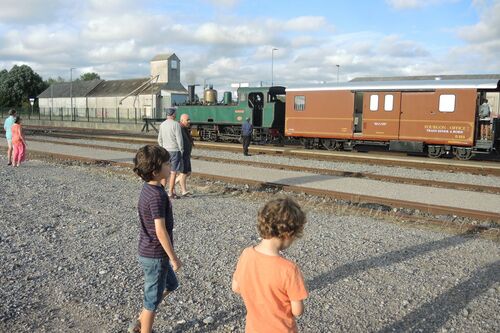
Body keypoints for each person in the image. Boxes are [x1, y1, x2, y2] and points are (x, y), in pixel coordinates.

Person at [232, 197, 308, 333]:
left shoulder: (246, 254)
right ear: (288, 234)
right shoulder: (289, 269)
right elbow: (297, 311)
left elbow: (236, 287)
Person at [131, 145, 182, 333]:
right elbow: (161, 231)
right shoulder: (156, 197)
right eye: (167, 164)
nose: (170, 166)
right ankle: (145, 328)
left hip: (150, 252)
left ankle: (140, 320)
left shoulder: (150, 189)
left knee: (171, 284)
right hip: (156, 256)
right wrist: (174, 258)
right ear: (155, 171)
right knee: (151, 300)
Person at [158, 107, 184, 199]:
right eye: (175, 113)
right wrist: (181, 150)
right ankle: (170, 193)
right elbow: (179, 139)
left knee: (164, 172)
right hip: (175, 150)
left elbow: (159, 139)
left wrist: (162, 148)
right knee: (173, 173)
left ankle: (161, 192)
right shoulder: (176, 124)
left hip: (165, 151)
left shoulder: (162, 124)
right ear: (173, 114)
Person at [176, 113, 194, 196]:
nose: (189, 121)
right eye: (187, 120)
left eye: (189, 119)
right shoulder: (179, 128)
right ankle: (184, 191)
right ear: (182, 120)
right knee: (183, 173)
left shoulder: (184, 128)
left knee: (188, 172)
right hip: (183, 154)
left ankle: (172, 183)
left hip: (187, 154)